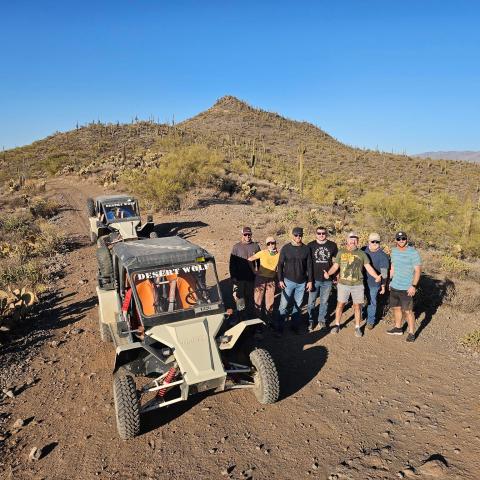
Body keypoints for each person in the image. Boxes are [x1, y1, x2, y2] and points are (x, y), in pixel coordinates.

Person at [325, 232, 381, 337]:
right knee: (340, 304)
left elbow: (368, 267)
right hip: (343, 284)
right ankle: (337, 324)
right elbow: (336, 266)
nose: (353, 241)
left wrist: (376, 276)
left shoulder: (362, 254)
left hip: (357, 284)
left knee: (357, 306)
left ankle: (357, 327)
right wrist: (328, 273)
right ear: (347, 240)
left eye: (355, 240)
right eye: (351, 239)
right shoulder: (341, 252)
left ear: (358, 242)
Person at [276, 227, 313, 335]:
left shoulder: (306, 249)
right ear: (292, 235)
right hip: (288, 281)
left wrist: (310, 281)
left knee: (298, 305)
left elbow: (309, 266)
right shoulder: (286, 248)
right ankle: (279, 327)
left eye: (300, 235)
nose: (298, 237)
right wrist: (280, 279)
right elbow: (280, 264)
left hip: (301, 283)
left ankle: (294, 326)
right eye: (296, 235)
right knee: (283, 305)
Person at [387, 231, 422, 342]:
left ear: (406, 239)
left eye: (403, 238)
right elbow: (392, 268)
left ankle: (411, 332)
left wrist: (413, 286)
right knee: (396, 308)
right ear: (395, 240)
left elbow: (417, 271)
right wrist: (389, 281)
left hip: (407, 287)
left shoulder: (413, 253)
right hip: (395, 285)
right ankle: (398, 328)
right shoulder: (394, 251)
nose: (401, 241)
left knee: (408, 311)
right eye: (399, 238)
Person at [307, 227, 338, 332]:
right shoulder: (310, 245)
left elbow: (337, 262)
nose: (321, 235)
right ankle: (310, 320)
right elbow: (307, 263)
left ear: (326, 234)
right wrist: (308, 279)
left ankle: (322, 320)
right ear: (316, 234)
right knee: (311, 301)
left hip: (327, 280)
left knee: (324, 301)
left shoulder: (332, 245)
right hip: (314, 278)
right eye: (319, 233)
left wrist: (335, 275)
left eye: (323, 233)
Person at [229, 227, 260, 321]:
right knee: (240, 298)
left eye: (249, 234)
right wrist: (233, 277)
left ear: (251, 234)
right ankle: (241, 318)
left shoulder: (256, 246)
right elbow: (232, 264)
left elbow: (259, 261)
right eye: (245, 234)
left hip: (251, 278)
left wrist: (258, 272)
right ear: (242, 235)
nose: (247, 236)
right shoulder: (236, 247)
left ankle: (250, 318)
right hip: (239, 278)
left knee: (250, 298)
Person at [248, 236, 279, 325]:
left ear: (275, 243)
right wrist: (254, 270)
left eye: (272, 243)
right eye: (268, 244)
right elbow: (250, 260)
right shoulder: (262, 253)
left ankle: (268, 318)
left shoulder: (279, 254)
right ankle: (257, 319)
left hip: (271, 279)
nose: (270, 245)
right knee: (258, 299)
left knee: (270, 300)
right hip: (260, 279)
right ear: (266, 245)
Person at [362, 233, 389, 329]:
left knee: (372, 302)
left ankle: (370, 321)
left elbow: (384, 273)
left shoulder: (383, 256)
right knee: (359, 300)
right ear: (368, 241)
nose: (374, 243)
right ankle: (360, 316)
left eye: (377, 242)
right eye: (372, 241)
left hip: (374, 283)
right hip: (361, 281)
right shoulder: (363, 250)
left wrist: (383, 285)